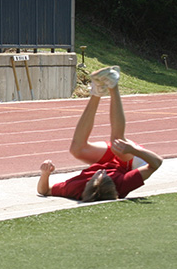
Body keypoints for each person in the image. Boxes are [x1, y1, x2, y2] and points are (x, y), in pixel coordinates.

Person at [37, 66, 163, 202]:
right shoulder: (122, 184)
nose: (102, 170)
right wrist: (133, 150)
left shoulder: (77, 188)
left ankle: (97, 91)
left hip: (111, 164)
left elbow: (44, 190)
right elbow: (156, 162)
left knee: (77, 150)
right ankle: (113, 84)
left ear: (89, 182)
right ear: (112, 181)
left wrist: (45, 174)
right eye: (105, 175)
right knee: (118, 143)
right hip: (132, 162)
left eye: (98, 174)